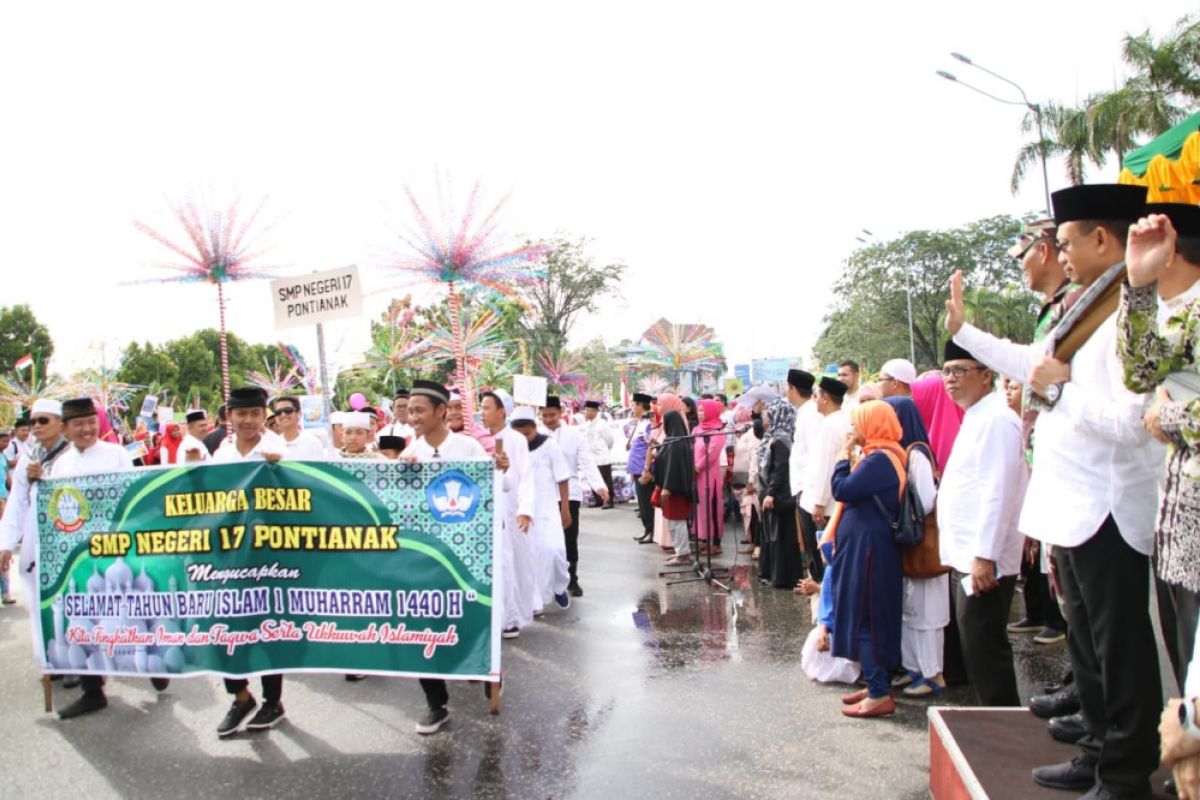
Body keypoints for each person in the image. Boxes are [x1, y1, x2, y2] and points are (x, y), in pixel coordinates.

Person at [948, 183, 1163, 799]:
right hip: (1074, 507)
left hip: (1108, 507)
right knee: (1090, 651)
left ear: (1102, 239)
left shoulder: (1130, 311)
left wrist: (1060, 390)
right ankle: (1098, 753)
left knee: (1118, 652)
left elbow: (1129, 420)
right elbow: (1031, 362)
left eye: (1065, 242)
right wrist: (967, 332)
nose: (1059, 253)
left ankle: (1125, 775)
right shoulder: (1085, 308)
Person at [1116, 204, 1200, 781]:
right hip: (1179, 523)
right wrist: (1138, 286)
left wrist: (1168, 421)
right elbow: (1139, 373)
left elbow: (1157, 408)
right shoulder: (1179, 311)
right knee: (1186, 651)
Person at [51, 397, 169, 719]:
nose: (87, 429)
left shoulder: (116, 454)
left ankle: (154, 665)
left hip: (116, 548)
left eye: (91, 422)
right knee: (84, 619)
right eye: (79, 424)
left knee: (131, 609)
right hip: (82, 556)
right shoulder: (61, 464)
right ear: (65, 428)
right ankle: (93, 691)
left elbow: (131, 499)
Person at [399, 380, 492, 735]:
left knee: (469, 617)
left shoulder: (469, 448)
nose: (413, 418)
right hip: (425, 558)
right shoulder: (412, 453)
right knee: (424, 625)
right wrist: (399, 475)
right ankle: (435, 703)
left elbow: (497, 488)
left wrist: (498, 467)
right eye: (409, 411)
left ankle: (483, 665)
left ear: (441, 411)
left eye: (419, 410)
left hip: (467, 553)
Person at [936, 342, 1026, 707]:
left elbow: (997, 492)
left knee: (987, 652)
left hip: (982, 560)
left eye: (961, 370)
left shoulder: (998, 420)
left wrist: (984, 556)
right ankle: (994, 726)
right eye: (947, 371)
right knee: (977, 650)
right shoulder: (976, 414)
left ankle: (1005, 732)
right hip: (967, 555)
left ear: (986, 376)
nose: (951, 380)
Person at [207, 387, 289, 736]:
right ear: (230, 417)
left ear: (263, 416)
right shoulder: (220, 453)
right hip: (227, 558)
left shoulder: (277, 448)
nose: (248, 420)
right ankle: (240, 696)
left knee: (268, 629)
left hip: (268, 557)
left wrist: (279, 469)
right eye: (241, 414)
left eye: (255, 413)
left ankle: (273, 701)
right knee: (225, 628)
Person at [830, 401, 906, 718]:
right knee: (868, 615)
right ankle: (878, 684)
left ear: (872, 424)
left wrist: (841, 457)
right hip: (867, 547)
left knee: (866, 617)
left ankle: (878, 692)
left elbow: (842, 489)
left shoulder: (880, 460)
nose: (852, 429)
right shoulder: (880, 455)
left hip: (870, 551)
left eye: (856, 422)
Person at [882, 395, 946, 698]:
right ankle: (915, 669)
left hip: (922, 542)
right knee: (911, 611)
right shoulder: (904, 452)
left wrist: (900, 511)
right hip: (910, 542)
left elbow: (926, 498)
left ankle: (933, 673)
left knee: (927, 613)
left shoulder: (916, 453)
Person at [0, 400, 69, 620]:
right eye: (33, 422)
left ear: (61, 424)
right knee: (42, 612)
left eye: (43, 420)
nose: (36, 426)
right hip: (37, 542)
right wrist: (6, 543)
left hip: (71, 541)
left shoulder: (75, 456)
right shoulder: (27, 461)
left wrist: (44, 479)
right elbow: (17, 503)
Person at [480, 392, 536, 639]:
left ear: (502, 411)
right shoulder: (476, 439)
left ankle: (510, 618)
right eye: (480, 408)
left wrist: (525, 510)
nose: (482, 413)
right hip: (482, 510)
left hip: (509, 508)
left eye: (486, 408)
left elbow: (524, 476)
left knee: (509, 564)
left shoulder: (515, 440)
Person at [541, 395, 607, 597]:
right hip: (544, 495)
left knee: (570, 538)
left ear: (561, 412)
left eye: (552, 415)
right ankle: (549, 581)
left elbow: (586, 461)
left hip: (570, 494)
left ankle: (572, 579)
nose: (548, 419)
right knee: (547, 541)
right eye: (544, 416)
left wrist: (599, 485)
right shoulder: (535, 436)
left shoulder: (574, 435)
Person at [509, 406, 573, 615]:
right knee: (530, 558)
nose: (523, 439)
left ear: (534, 428)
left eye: (526, 434)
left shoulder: (549, 445)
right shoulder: (509, 449)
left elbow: (562, 478)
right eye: (518, 435)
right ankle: (535, 601)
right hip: (523, 510)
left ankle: (559, 586)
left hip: (548, 509)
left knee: (554, 552)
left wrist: (565, 508)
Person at [757, 398, 800, 588]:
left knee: (781, 535)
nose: (765, 419)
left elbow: (780, 469)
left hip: (780, 495)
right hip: (771, 492)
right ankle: (772, 574)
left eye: (769, 415)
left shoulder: (781, 439)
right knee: (772, 535)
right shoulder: (772, 437)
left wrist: (771, 492)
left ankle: (783, 577)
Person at [799, 377, 851, 534]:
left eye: (817, 396)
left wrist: (820, 503)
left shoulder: (830, 425)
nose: (815, 400)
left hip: (827, 506)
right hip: (834, 501)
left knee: (825, 551)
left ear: (825, 398)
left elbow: (827, 467)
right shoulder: (842, 420)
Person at [786, 369, 822, 582]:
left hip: (810, 488)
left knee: (814, 542)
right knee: (809, 542)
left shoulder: (811, 414)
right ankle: (816, 581)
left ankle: (818, 584)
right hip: (804, 487)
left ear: (792, 389)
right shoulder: (805, 413)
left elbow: (815, 454)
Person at [654, 409, 695, 567]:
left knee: (677, 523)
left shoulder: (676, 442)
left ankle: (683, 554)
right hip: (673, 488)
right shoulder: (673, 440)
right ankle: (680, 552)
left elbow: (673, 467)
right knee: (673, 522)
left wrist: (667, 487)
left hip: (675, 490)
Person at [694, 398, 726, 554]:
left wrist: (697, 467)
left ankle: (715, 542)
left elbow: (712, 454)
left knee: (712, 508)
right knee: (700, 509)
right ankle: (703, 539)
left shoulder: (718, 431)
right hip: (697, 475)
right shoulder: (697, 429)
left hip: (709, 476)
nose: (700, 413)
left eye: (703, 410)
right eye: (699, 410)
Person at [627, 393, 655, 543]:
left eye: (633, 404)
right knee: (642, 504)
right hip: (636, 470)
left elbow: (651, 447)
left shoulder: (649, 423)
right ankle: (647, 529)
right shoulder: (640, 422)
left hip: (644, 470)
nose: (632, 407)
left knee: (647, 503)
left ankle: (652, 531)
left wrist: (647, 469)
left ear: (639, 405)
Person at [583, 400, 615, 508]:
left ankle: (609, 501)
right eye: (585, 410)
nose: (585, 412)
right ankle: (598, 500)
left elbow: (610, 440)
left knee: (605, 480)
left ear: (593, 411)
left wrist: (604, 450)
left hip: (602, 457)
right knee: (594, 478)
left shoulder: (602, 423)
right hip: (591, 457)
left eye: (587, 410)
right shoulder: (587, 424)